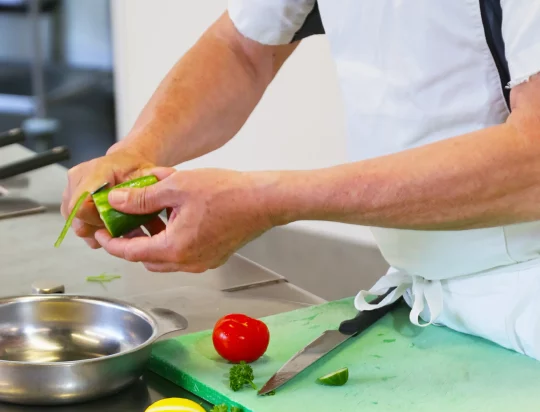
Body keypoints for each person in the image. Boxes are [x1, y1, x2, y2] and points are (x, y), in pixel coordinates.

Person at [63, 1, 540, 359]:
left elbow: (532, 160)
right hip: (435, 300)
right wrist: (136, 152)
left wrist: (269, 201)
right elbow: (242, 49)